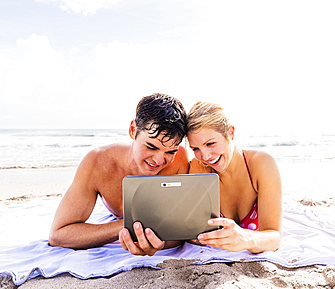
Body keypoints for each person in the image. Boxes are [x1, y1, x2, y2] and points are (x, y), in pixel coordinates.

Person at [49, 93, 189, 255]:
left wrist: (160, 243)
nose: (158, 160)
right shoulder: (98, 163)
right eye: (151, 147)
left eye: (170, 151)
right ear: (132, 130)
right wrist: (128, 226)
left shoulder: (179, 160)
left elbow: (182, 228)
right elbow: (58, 235)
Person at [186, 102, 282, 254]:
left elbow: (274, 237)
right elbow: (194, 233)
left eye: (210, 144)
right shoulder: (198, 168)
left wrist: (247, 239)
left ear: (230, 133)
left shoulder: (261, 164)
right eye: (195, 149)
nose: (204, 156)